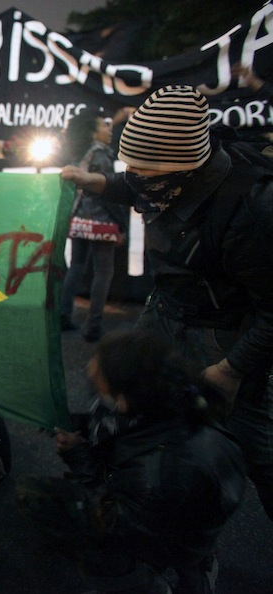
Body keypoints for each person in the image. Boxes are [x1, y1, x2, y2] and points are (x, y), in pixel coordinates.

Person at [61, 84, 273, 521]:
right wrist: (95, 181)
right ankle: (120, 513)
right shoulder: (163, 178)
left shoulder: (252, 209)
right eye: (130, 167)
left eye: (146, 172)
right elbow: (134, 184)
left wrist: (232, 370)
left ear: (186, 169)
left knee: (254, 447)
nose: (136, 180)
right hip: (164, 314)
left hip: (224, 337)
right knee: (125, 407)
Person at [16, 330, 245, 593]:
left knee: (41, 498)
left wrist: (77, 454)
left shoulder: (154, 473)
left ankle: (147, 586)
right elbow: (119, 434)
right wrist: (73, 424)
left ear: (123, 400)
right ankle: (197, 565)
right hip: (188, 519)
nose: (94, 390)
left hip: (163, 529)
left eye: (99, 385)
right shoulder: (180, 400)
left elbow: (109, 516)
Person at [59, 109, 128, 341]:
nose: (110, 130)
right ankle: (93, 326)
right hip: (101, 222)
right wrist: (122, 225)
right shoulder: (101, 155)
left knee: (76, 267)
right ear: (93, 132)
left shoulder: (78, 153)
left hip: (79, 220)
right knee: (103, 273)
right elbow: (109, 191)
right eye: (105, 126)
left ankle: (63, 315)